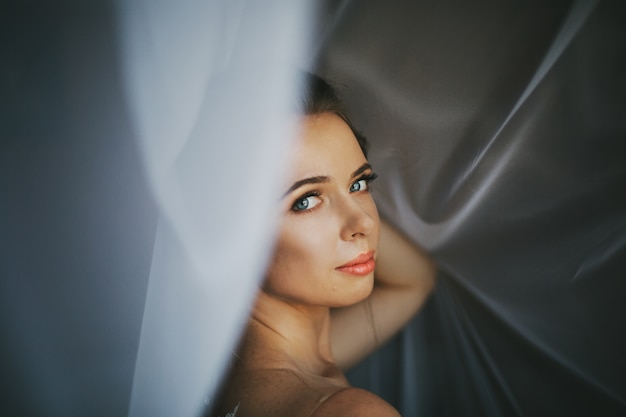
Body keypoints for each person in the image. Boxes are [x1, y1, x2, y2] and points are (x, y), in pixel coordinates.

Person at [210, 73, 436, 417]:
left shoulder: (223, 373)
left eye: (360, 183)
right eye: (305, 201)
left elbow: (416, 281)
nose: (365, 223)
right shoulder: (352, 412)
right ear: (231, 231)